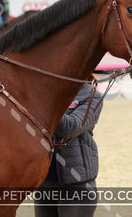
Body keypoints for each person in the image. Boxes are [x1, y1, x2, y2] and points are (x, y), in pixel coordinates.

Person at [33, 83, 103, 217]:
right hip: (45, 185)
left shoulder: (92, 96)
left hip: (77, 187)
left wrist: (42, 104)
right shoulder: (47, 91)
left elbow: (72, 127)